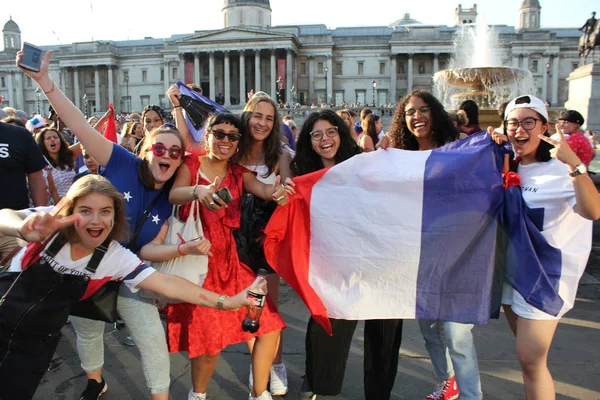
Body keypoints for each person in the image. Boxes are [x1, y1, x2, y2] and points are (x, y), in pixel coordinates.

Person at [16, 49, 187, 400]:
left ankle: (161, 396)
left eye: (175, 152)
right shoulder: (120, 160)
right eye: (160, 149)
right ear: (145, 150)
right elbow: (78, 124)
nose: (167, 155)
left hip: (127, 270)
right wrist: (46, 83)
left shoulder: (172, 194)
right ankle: (95, 382)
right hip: (86, 265)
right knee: (89, 331)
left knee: (152, 338)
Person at [0, 175, 252, 400]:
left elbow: (167, 283)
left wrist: (227, 302)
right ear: (70, 209)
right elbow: (4, 214)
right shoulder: (50, 224)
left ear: (115, 215)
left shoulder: (114, 256)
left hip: (34, 348)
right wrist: (22, 227)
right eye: (85, 211)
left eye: (105, 211)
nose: (96, 220)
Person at [167, 112, 289, 400]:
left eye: (232, 136)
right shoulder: (192, 165)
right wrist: (197, 191)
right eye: (219, 134)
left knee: (268, 325)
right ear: (207, 135)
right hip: (199, 268)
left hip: (232, 267)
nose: (225, 140)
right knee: (208, 348)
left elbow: (264, 190)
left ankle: (259, 393)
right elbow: (174, 195)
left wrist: (278, 191)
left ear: (238, 142)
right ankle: (198, 395)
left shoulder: (237, 172)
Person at [290, 110, 406, 400]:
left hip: (379, 259)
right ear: (309, 142)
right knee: (327, 325)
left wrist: (390, 157)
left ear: (342, 134)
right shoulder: (302, 175)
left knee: (383, 332)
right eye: (316, 135)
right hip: (334, 265)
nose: (325, 139)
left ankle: (379, 394)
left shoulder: (365, 163)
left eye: (331, 131)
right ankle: (319, 384)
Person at [490, 94, 600, 399]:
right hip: (513, 273)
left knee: (531, 360)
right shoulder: (505, 162)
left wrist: (575, 164)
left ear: (544, 127)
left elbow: (593, 212)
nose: (519, 129)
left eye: (528, 122)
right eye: (513, 122)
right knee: (531, 363)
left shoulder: (560, 170)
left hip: (546, 276)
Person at [388, 90, 481, 400]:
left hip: (459, 257)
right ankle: (447, 381)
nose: (417, 116)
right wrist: (376, 152)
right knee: (429, 330)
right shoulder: (398, 157)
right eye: (410, 112)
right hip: (420, 257)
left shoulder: (458, 150)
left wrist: (494, 142)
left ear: (436, 113)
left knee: (456, 333)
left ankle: (470, 395)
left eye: (424, 109)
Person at [235, 94, 294, 397]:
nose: (262, 122)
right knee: (249, 311)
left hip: (266, 241)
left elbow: (288, 185)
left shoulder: (280, 153)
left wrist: (284, 190)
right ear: (247, 117)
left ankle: (277, 363)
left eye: (269, 118)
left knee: (269, 306)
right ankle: (259, 362)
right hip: (234, 241)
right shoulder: (232, 148)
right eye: (257, 115)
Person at [0, 121, 47, 262]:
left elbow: (36, 178)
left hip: (14, 228)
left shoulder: (19, 135)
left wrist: (41, 215)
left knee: (17, 280)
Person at [35, 127, 82, 201]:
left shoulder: (68, 155)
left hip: (73, 201)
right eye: (48, 138)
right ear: (42, 143)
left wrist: (104, 118)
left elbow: (86, 140)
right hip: (54, 207)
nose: (52, 139)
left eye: (55, 137)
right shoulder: (40, 162)